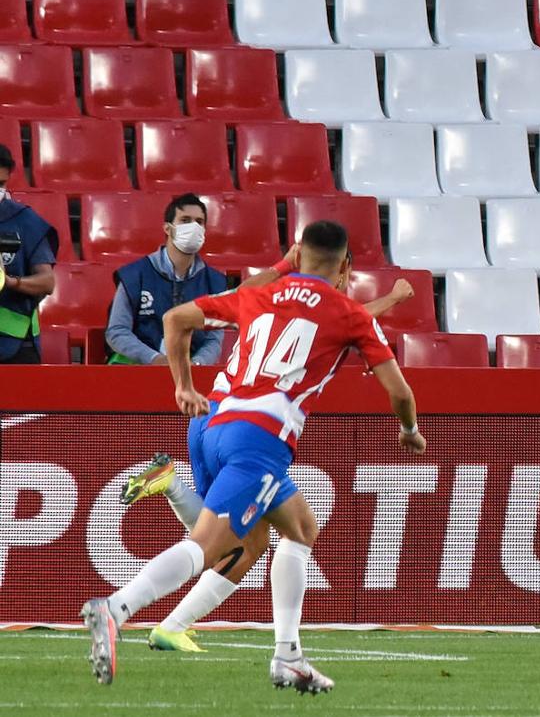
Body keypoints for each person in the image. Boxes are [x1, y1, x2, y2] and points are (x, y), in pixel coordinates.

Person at [82, 220, 427, 694]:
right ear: (346, 266)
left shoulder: (260, 294)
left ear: (297, 256)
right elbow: (400, 392)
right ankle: (117, 608)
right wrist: (410, 432)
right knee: (212, 546)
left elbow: (176, 319)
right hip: (259, 439)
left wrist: (183, 386)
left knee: (299, 528)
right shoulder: (347, 313)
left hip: (212, 422)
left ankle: (288, 656)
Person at [106, 193, 226, 366]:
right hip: (138, 369)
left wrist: (196, 364)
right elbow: (117, 331)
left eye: (199, 222)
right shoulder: (135, 275)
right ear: (168, 228)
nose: (193, 227)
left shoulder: (214, 282)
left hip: (191, 374)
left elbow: (214, 339)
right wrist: (154, 359)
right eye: (185, 220)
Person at [0, 144, 57, 364]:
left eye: (2, 184)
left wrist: (10, 282)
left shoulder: (26, 222)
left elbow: (47, 282)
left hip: (17, 345)